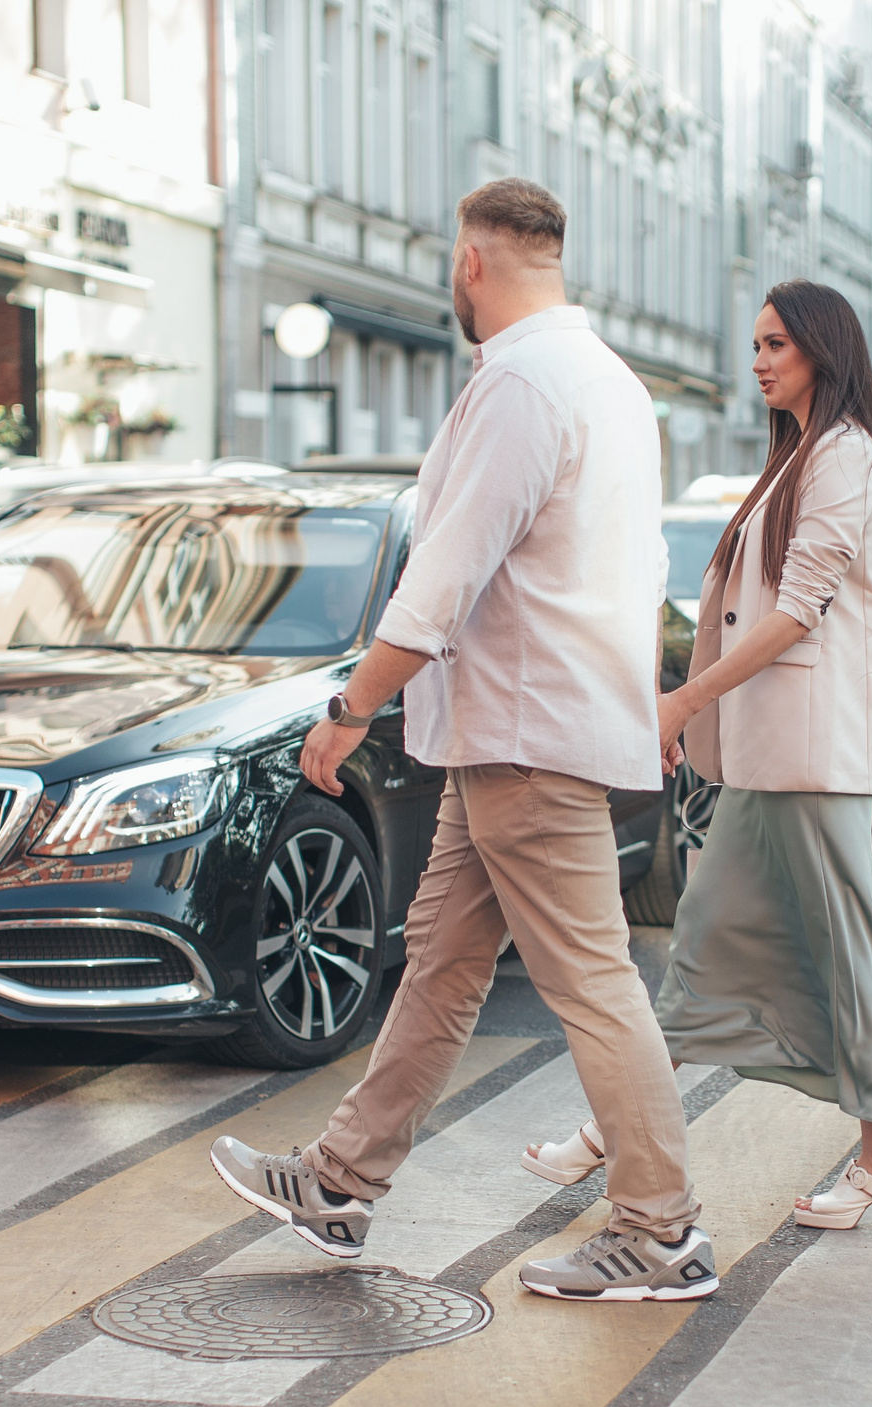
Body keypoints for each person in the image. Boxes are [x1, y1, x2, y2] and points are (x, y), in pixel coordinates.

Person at [208, 179, 715, 1303]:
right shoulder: (615, 386)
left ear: (472, 263)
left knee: (591, 981)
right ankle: (341, 1182)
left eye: (453, 261)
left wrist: (348, 712)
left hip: (528, 733)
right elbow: (637, 575)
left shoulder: (523, 383)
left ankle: (663, 1229)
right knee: (437, 963)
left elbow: (446, 569)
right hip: (530, 728)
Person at [519, 280, 872, 1233]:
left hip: (811, 758)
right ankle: (628, 1132)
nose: (758, 361)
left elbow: (796, 611)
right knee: (708, 949)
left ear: (824, 349)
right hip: (772, 757)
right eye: (756, 344)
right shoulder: (802, 458)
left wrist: (683, 702)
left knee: (840, 951)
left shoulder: (843, 457)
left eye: (776, 344)